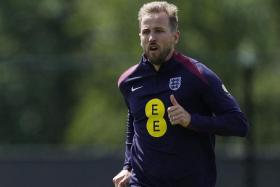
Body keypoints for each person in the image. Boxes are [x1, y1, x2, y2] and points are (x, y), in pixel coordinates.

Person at [113, 1, 249, 187]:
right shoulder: (127, 81)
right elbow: (134, 121)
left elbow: (239, 124)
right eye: (146, 31)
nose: (151, 37)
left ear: (175, 37)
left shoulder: (198, 75)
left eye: (159, 31)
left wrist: (191, 120)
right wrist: (127, 166)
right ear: (140, 36)